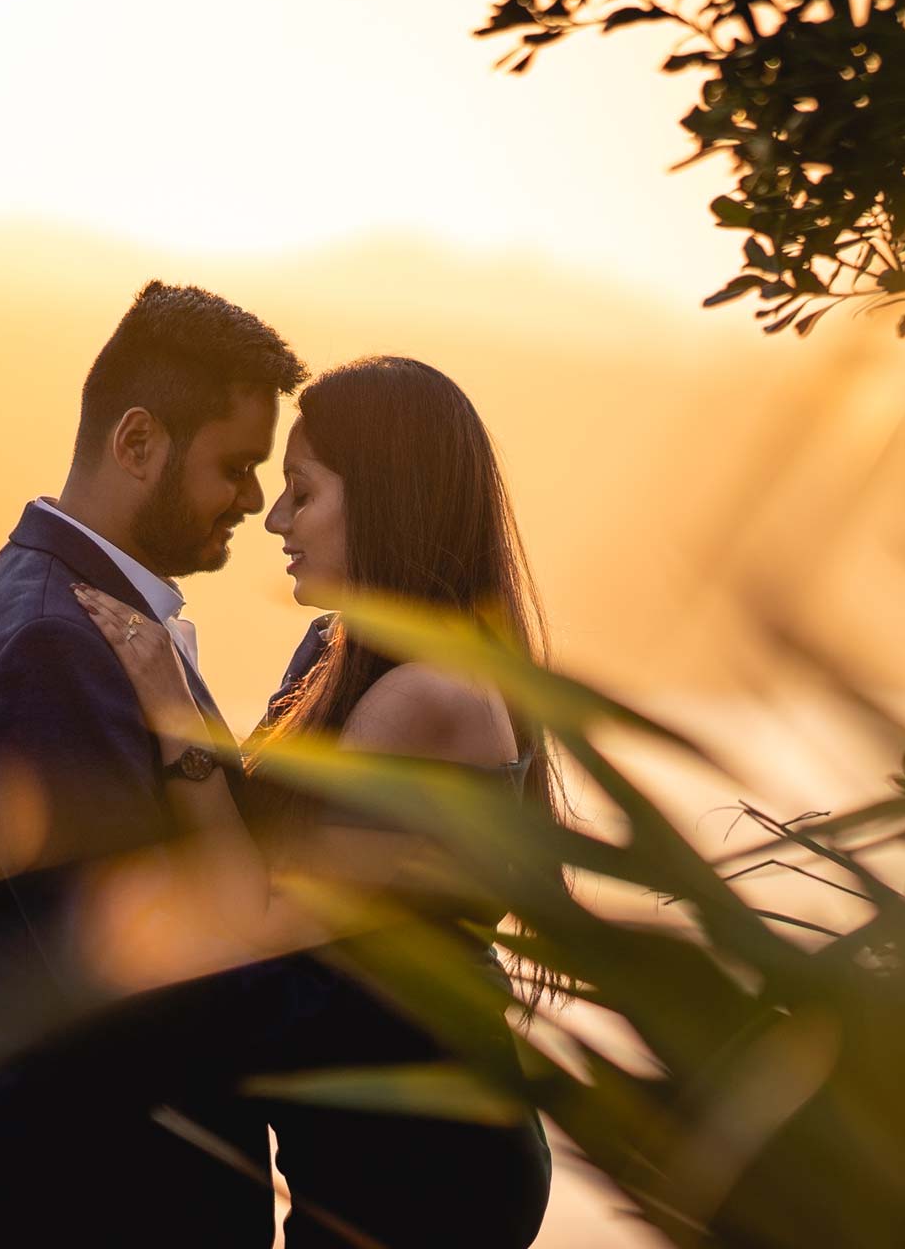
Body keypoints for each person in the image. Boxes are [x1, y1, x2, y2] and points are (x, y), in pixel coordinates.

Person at [72, 355, 556, 1248]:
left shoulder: (428, 698)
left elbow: (251, 918)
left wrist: (175, 716)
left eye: (304, 491)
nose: (278, 520)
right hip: (358, 1152)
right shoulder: (337, 651)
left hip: (424, 1172)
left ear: (385, 499)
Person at [0, 279, 305, 1245]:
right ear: (138, 444)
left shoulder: (61, 599)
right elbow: (124, 976)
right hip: (113, 1199)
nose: (256, 499)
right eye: (237, 465)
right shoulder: (53, 642)